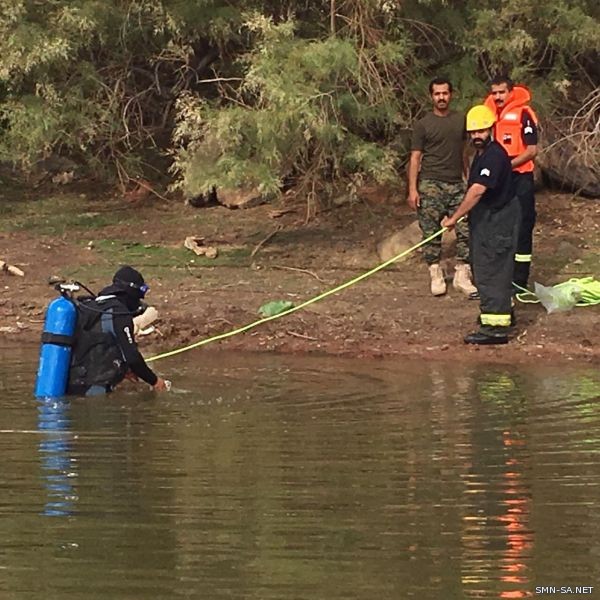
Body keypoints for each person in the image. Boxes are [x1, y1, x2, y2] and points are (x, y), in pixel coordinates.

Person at [441, 105, 519, 345]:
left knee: (491, 270)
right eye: (473, 132)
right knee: (490, 267)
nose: (476, 136)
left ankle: (495, 329)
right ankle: (503, 313)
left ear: (492, 129)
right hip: (489, 219)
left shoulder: (494, 156)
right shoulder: (482, 154)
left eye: (481, 131)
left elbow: (476, 191)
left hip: (498, 220)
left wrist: (454, 218)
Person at [408, 77, 477, 298]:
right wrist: (413, 189)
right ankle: (435, 272)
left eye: (445, 93)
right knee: (430, 231)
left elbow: (464, 152)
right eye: (437, 94)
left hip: (457, 183)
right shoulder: (423, 124)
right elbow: (415, 158)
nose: (441, 98)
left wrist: (468, 179)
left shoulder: (460, 121)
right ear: (431, 97)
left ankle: (462, 272)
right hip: (431, 183)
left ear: (451, 94)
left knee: (466, 228)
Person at [67, 265, 169, 395]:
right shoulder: (118, 313)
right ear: (131, 293)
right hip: (93, 389)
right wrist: (155, 381)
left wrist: (124, 369)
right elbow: (133, 358)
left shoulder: (91, 307)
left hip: (71, 383)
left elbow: (97, 345)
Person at [484, 75, 538, 291]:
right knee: (497, 226)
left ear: (510, 92)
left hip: (520, 179)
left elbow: (532, 150)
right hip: (498, 180)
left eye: (502, 92)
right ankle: (499, 275)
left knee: (523, 226)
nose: (497, 97)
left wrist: (508, 166)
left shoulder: (524, 114)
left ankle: (520, 280)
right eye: (494, 93)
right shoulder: (488, 115)